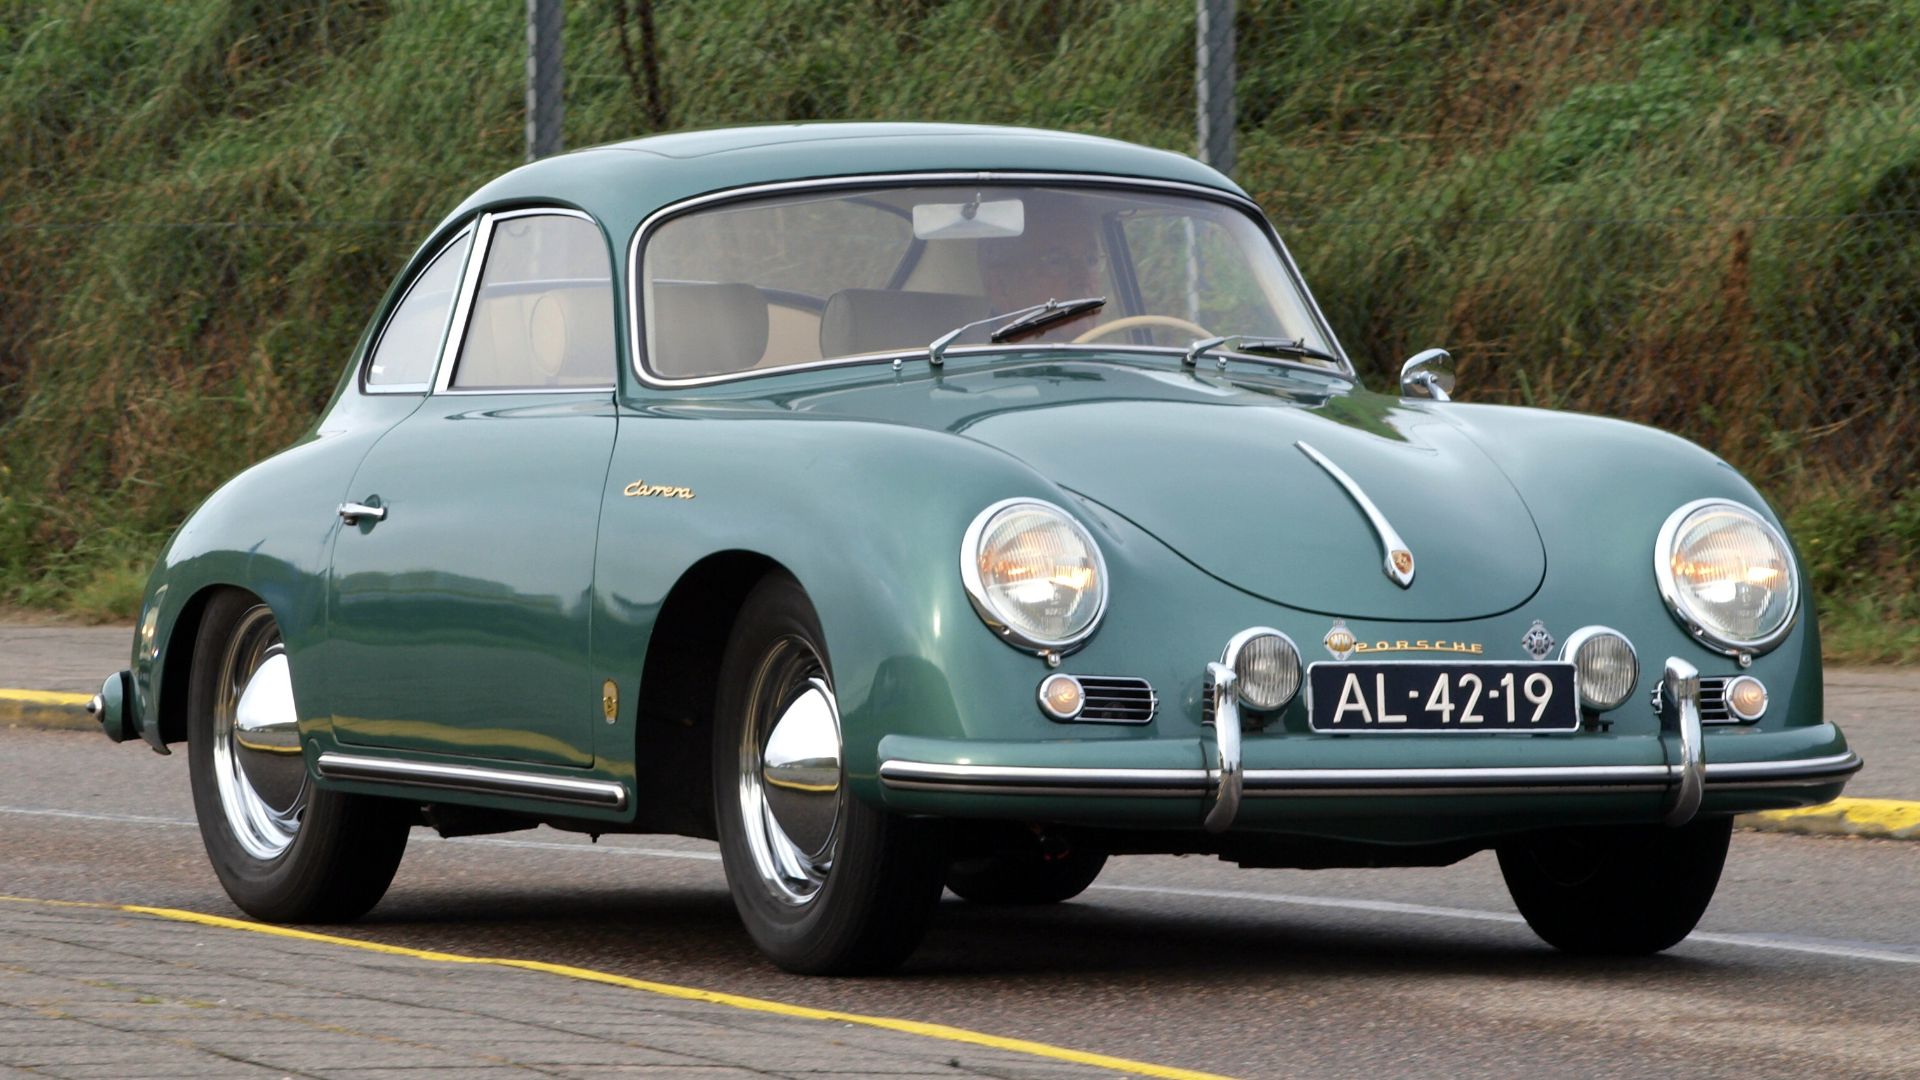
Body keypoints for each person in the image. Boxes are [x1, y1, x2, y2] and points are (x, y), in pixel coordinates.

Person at [976, 194, 1108, 341]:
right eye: (1057, 261)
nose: (1083, 279)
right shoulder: (968, 355)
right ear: (1000, 283)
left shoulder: (1121, 352)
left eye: (1091, 260)